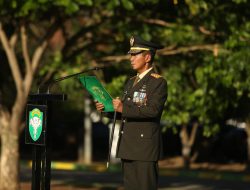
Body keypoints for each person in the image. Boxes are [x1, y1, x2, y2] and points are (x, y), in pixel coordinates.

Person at [95, 35, 168, 190]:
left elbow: (153, 111)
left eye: (135, 55)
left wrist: (123, 108)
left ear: (147, 57)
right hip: (128, 147)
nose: (131, 58)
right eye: (131, 55)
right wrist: (107, 109)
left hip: (144, 149)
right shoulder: (130, 81)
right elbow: (127, 112)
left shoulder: (157, 82)